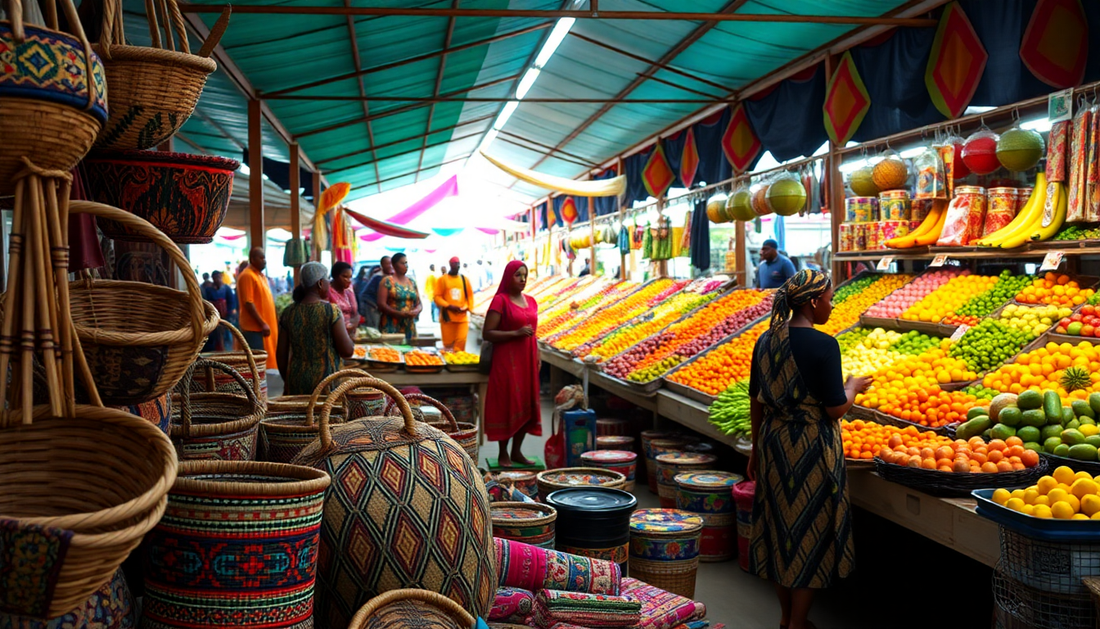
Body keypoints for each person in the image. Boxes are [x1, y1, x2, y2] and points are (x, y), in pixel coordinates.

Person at [747, 269, 871, 629]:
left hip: (773, 443)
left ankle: (787, 617)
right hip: (812, 449)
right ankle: (798, 623)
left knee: (777, 529)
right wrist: (852, 387)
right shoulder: (824, 344)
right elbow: (834, 408)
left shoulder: (766, 340)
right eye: (830, 300)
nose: (831, 307)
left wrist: (755, 448)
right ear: (814, 302)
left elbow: (755, 400)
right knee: (809, 533)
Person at [482, 260, 541, 468]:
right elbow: (487, 333)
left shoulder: (532, 301)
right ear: (509, 277)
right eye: (518, 275)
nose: (523, 279)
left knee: (526, 402)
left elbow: (534, 333)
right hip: (506, 361)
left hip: (527, 360)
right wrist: (515, 333)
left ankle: (517, 451)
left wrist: (538, 354)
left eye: (525, 275)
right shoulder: (500, 301)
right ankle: (502, 453)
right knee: (508, 403)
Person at [276, 262, 354, 395]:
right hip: (326, 385)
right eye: (327, 280)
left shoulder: (288, 312)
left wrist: (289, 380)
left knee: (298, 416)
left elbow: (281, 355)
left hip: (296, 382)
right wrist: (351, 338)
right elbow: (347, 351)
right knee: (323, 416)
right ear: (320, 284)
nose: (329, 284)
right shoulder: (331, 311)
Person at [236, 247, 279, 370]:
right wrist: (262, 324)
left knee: (264, 365)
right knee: (256, 366)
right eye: (261, 258)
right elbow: (248, 303)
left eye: (264, 257)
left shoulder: (261, 276)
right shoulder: (247, 275)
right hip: (254, 329)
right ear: (252, 259)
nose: (264, 260)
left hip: (263, 328)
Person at [377, 252, 422, 342]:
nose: (406, 266)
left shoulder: (411, 281)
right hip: (391, 323)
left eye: (406, 263)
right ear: (394, 265)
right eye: (402, 263)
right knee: (392, 352)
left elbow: (419, 303)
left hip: (409, 324)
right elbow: (381, 304)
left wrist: (416, 311)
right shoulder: (387, 281)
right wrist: (399, 314)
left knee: (410, 353)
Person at [434, 256, 474, 352]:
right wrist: (448, 305)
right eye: (455, 264)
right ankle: (450, 364)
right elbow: (437, 297)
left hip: (462, 318)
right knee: (448, 345)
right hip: (448, 318)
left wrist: (468, 307)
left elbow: (470, 297)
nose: (457, 266)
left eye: (458, 264)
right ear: (450, 265)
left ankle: (458, 364)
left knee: (461, 342)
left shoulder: (465, 279)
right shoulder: (442, 280)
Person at [202, 270, 237, 352]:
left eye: (218, 277)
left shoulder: (226, 288)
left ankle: (228, 351)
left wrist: (228, 313)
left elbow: (232, 303)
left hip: (226, 317)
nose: (217, 279)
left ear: (221, 277)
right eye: (215, 278)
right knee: (216, 337)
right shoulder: (209, 290)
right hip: (214, 316)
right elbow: (206, 302)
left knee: (227, 337)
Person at [328, 261, 360, 337]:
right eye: (345, 276)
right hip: (334, 334)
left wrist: (353, 325)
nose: (348, 280)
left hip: (351, 332)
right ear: (335, 276)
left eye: (350, 277)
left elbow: (356, 313)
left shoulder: (349, 289)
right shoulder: (327, 291)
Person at [362, 257, 392, 329]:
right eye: (387, 263)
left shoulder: (391, 277)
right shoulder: (378, 277)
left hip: (383, 309)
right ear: (382, 265)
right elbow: (365, 295)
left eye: (391, 263)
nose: (390, 266)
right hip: (373, 306)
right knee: (374, 329)